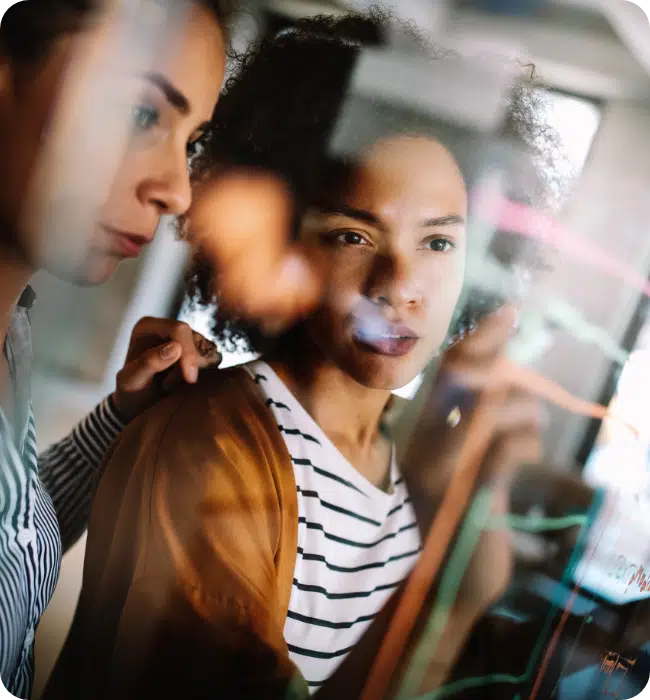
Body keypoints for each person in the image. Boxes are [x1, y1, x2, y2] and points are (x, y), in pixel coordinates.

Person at [44, 11, 549, 700]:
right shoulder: (214, 449)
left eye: (437, 243)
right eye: (352, 236)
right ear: (284, 246)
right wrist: (446, 599)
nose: (400, 287)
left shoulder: (414, 463)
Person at [0, 2, 238, 698]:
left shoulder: (13, 336)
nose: (177, 190)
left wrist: (119, 420)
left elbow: (17, 533)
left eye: (190, 141)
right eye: (141, 115)